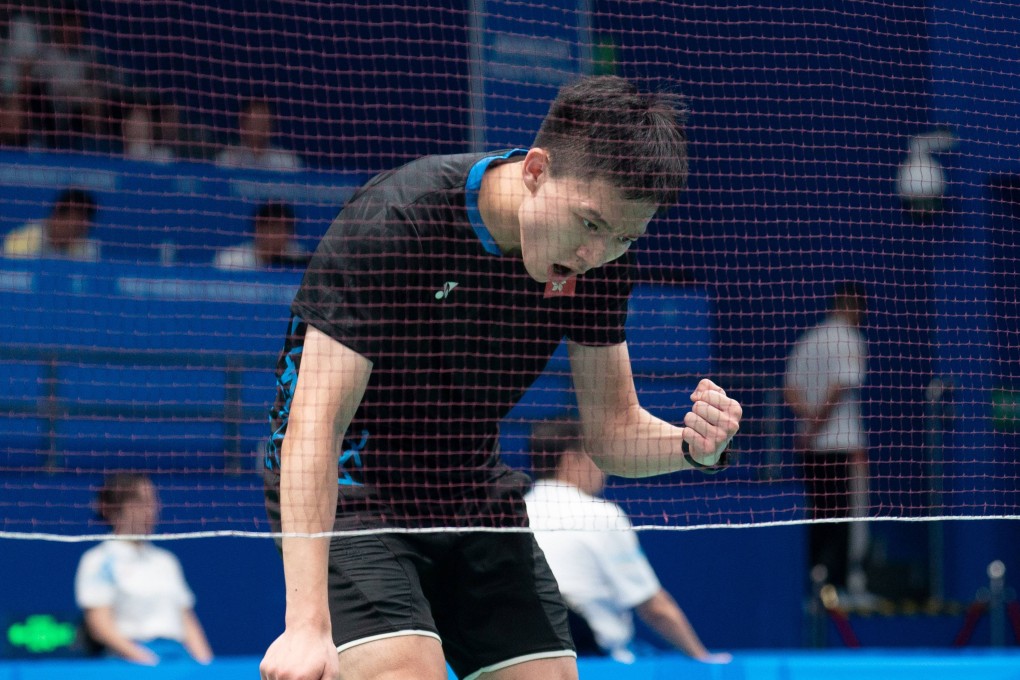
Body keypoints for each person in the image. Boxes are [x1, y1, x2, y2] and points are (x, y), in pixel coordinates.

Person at [259, 75, 741, 680]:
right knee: (404, 672)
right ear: (537, 170)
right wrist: (305, 626)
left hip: (470, 492)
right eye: (592, 225)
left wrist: (695, 448)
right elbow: (315, 423)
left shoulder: (601, 264)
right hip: (356, 492)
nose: (600, 254)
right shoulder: (398, 220)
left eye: (625, 238)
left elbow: (613, 432)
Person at [524, 418, 732, 665]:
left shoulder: (515, 511)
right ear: (572, 460)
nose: (604, 468)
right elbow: (653, 607)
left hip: (524, 649)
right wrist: (701, 657)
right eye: (595, 456)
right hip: (588, 655)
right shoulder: (601, 515)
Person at [784, 281, 871, 596]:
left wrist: (808, 427)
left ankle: (817, 589)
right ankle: (842, 591)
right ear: (852, 306)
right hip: (842, 446)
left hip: (810, 448)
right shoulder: (849, 338)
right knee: (845, 522)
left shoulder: (808, 340)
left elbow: (789, 391)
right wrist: (819, 425)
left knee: (817, 517)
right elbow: (838, 387)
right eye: (861, 309)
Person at [74, 473, 213, 665]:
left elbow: (186, 619)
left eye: (154, 502)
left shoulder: (166, 561)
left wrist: (206, 666)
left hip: (177, 659)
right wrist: (147, 661)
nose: (152, 510)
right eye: (142, 502)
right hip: (128, 663)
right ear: (116, 508)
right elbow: (100, 625)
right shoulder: (97, 561)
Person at [3, 187, 100, 260]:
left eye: (83, 227)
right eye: (76, 226)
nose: (80, 231)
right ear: (57, 216)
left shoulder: (87, 248)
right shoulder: (22, 240)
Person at [214, 201, 308, 270]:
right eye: (272, 229)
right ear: (257, 229)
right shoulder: (231, 261)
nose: (276, 236)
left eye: (282, 230)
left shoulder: (300, 258)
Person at [216, 98, 301, 171]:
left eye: (263, 122)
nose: (259, 127)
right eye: (255, 122)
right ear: (242, 123)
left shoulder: (287, 162)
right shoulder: (227, 160)